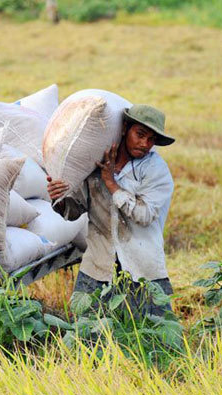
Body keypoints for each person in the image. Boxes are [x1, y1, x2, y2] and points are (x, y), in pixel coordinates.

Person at [46, 104, 176, 316]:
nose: (145, 144)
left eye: (152, 140)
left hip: (141, 268)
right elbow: (74, 211)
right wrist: (58, 198)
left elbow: (144, 216)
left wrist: (111, 183)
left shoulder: (156, 170)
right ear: (125, 129)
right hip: (98, 265)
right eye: (140, 134)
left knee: (155, 339)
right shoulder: (94, 165)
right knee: (87, 335)